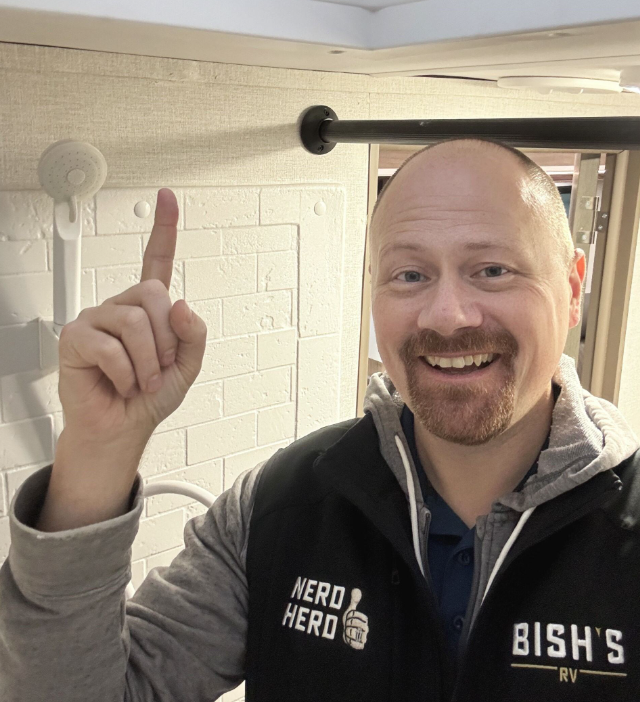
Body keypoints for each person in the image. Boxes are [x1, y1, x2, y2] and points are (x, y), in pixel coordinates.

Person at [1, 138, 639, 702]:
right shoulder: (278, 506)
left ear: (574, 286)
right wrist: (93, 458)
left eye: (493, 270)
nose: (447, 316)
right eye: (409, 274)